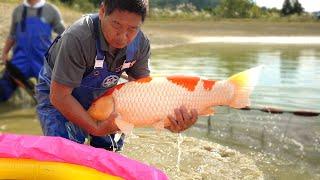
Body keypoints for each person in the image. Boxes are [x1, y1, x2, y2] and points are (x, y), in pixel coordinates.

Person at [35, 0, 198, 152]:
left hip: (104, 99)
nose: (122, 36)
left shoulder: (141, 45)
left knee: (109, 151)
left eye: (132, 29)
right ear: (102, 11)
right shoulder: (78, 38)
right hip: (58, 95)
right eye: (116, 24)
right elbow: (59, 97)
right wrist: (96, 128)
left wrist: (169, 123)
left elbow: (144, 95)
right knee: (66, 152)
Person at [0, 0, 65, 102]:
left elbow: (64, 35)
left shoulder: (51, 10)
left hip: (42, 62)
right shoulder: (18, 10)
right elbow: (12, 35)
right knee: (3, 89)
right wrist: (4, 53)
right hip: (19, 61)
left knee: (50, 99)